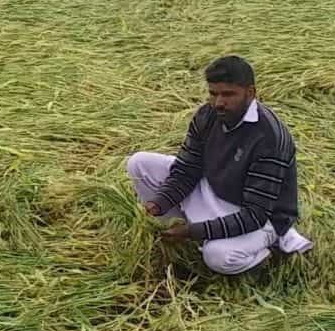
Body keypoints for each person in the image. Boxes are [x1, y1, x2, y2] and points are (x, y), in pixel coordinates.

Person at [127, 55, 312, 276]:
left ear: (251, 93)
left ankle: (266, 253)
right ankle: (177, 228)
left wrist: (192, 231)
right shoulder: (207, 115)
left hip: (259, 216)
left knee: (220, 257)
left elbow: (255, 214)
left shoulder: (269, 139)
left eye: (228, 94)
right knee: (139, 163)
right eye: (213, 94)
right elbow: (187, 169)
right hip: (213, 189)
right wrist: (158, 203)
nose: (218, 103)